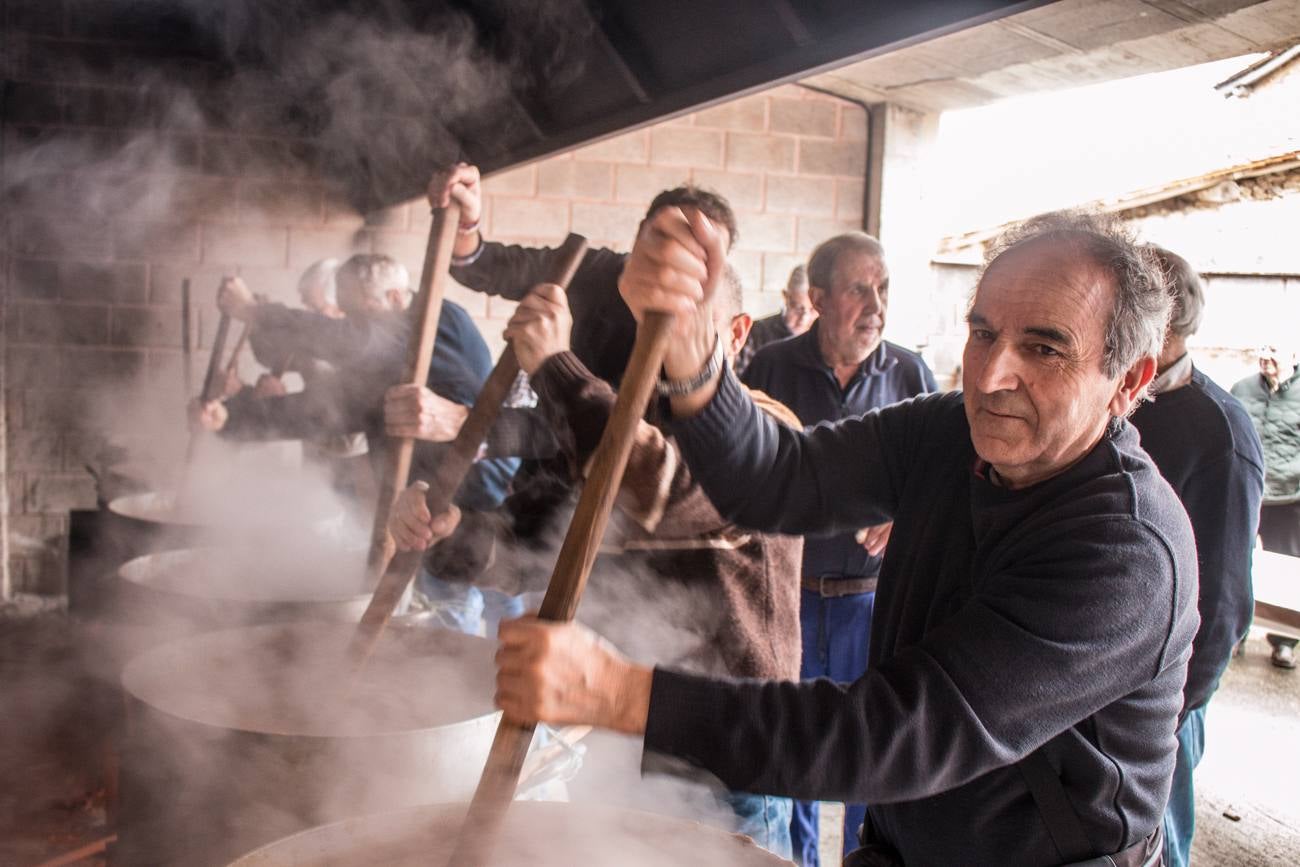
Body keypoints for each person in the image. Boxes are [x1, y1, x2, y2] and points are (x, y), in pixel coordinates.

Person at [484, 208, 1197, 867]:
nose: (991, 374)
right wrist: (698, 357)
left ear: (1128, 380)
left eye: (1044, 347)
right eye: (983, 333)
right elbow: (778, 477)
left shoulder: (1127, 551)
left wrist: (621, 693)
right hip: (905, 845)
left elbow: (897, 732)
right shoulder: (945, 431)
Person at [389, 266, 805, 858]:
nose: (662, 344)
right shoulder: (613, 436)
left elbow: (655, 485)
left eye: (686, 324)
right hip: (613, 747)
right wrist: (444, 528)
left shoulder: (769, 430)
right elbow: (525, 551)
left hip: (731, 765)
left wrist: (556, 367)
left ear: (737, 334)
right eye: (649, 327)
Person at [741, 232, 935, 866]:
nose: (876, 304)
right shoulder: (770, 369)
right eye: (859, 289)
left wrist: (909, 515)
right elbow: (747, 473)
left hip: (873, 610)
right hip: (787, 605)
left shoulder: (912, 375)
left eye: (883, 289)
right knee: (793, 751)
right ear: (818, 298)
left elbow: (951, 485)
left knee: (872, 757)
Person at [190, 255, 517, 596]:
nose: (350, 323)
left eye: (359, 315)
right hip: (431, 499)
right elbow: (328, 410)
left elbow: (350, 340)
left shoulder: (434, 320)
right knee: (448, 591)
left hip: (472, 493)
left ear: (394, 298)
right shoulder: (390, 357)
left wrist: (256, 313)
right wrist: (231, 418)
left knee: (463, 599)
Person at [1129, 246, 1264, 867]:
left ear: (1166, 324)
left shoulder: (1221, 434)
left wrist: (1170, 716)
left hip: (1161, 705)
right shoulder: (1120, 400)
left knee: (1160, 846)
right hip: (1103, 685)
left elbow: (1226, 601)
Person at [429, 161, 737, 388]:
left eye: (700, 256)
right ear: (641, 236)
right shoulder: (591, 270)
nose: (677, 264)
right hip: (545, 469)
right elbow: (493, 267)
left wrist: (553, 364)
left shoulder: (707, 345)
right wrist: (463, 223)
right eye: (669, 241)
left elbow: (645, 444)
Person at [1232, 344, 1300, 668]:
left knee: (1287, 568)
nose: (1266, 354)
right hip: (1248, 489)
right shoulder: (1243, 388)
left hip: (1290, 496)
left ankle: (1284, 642)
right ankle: (1234, 631)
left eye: (1275, 348)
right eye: (1262, 347)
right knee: (1235, 559)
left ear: (1294, 356)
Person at [734, 264, 817, 375]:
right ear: (785, 296)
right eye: (798, 308)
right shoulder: (756, 333)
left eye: (813, 310)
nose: (804, 319)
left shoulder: (821, 341)